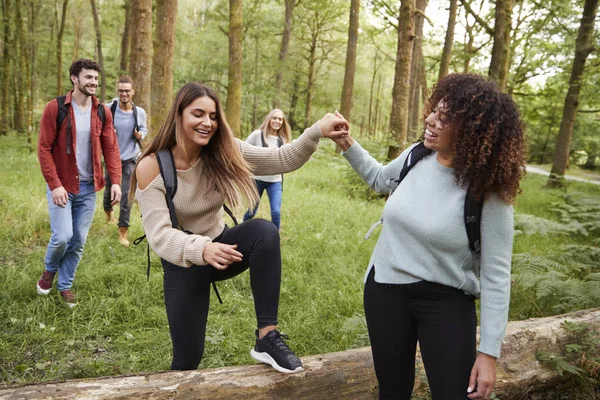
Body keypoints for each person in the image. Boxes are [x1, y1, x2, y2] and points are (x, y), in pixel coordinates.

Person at [327, 74, 526, 399]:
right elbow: (380, 179)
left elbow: (496, 275)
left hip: (445, 302)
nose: (430, 120)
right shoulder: (416, 156)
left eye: (443, 118)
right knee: (392, 391)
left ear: (471, 131)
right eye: (435, 111)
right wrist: (346, 142)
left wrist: (489, 353)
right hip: (384, 292)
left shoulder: (488, 190)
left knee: (454, 393)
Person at [130, 82, 348, 372]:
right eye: (198, 114)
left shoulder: (224, 149)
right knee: (187, 360)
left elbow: (281, 158)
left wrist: (316, 131)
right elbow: (159, 235)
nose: (207, 122)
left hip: (225, 247)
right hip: (182, 260)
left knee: (264, 231)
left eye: (213, 115)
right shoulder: (151, 167)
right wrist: (203, 249)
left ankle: (267, 338)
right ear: (179, 115)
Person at [36, 59, 122, 307]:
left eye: (96, 78)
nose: (94, 82)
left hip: (88, 188)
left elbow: (111, 148)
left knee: (78, 241)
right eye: (88, 78)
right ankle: (49, 270)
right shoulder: (56, 109)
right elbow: (43, 149)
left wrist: (115, 181)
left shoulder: (102, 111)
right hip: (62, 186)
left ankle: (65, 286)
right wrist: (55, 185)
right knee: (62, 236)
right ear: (75, 79)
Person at [104, 75, 148, 247]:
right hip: (112, 159)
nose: (124, 94)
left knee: (126, 195)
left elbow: (144, 129)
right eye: (121, 90)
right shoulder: (108, 109)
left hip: (130, 158)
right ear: (118, 91)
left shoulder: (139, 112)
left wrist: (140, 134)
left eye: (127, 91)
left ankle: (123, 231)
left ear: (133, 92)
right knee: (109, 192)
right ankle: (108, 210)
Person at [242, 109, 292, 230]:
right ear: (269, 119)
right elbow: (242, 149)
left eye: (280, 119)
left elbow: (286, 157)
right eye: (274, 118)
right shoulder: (257, 135)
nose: (277, 121)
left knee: (276, 212)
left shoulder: (282, 140)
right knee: (251, 212)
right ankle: (241, 230)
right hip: (257, 179)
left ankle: (275, 238)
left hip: (275, 181)